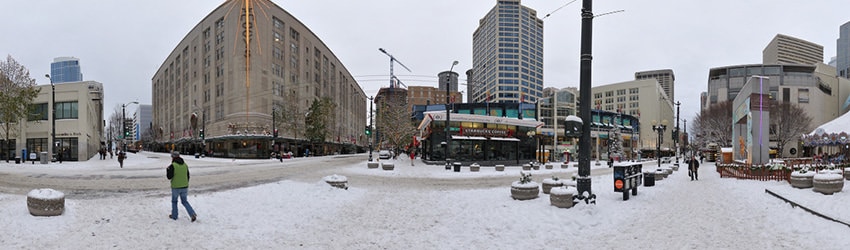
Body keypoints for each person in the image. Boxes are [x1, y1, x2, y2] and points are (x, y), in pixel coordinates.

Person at [167, 151, 197, 222]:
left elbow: (169, 177)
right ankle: (192, 213)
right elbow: (188, 176)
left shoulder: (172, 166)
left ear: (173, 157)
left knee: (174, 201)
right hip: (184, 186)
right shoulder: (185, 165)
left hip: (175, 187)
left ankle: (174, 215)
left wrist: (168, 170)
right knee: (185, 201)